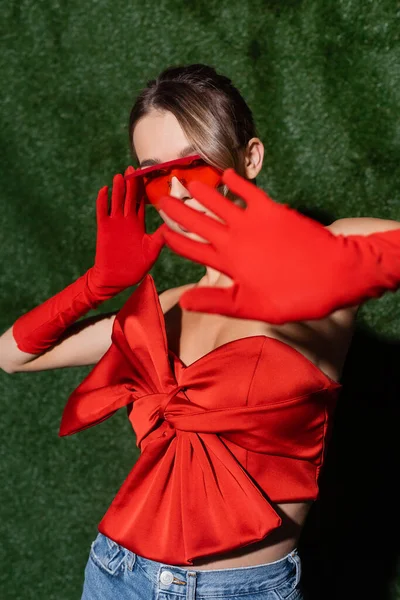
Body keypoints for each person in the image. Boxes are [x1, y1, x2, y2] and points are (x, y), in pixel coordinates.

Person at [1, 63, 399, 600]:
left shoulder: (330, 250)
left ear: (250, 158)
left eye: (197, 165)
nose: (179, 191)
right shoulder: (164, 308)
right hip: (118, 576)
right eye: (154, 173)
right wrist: (96, 285)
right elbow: (11, 355)